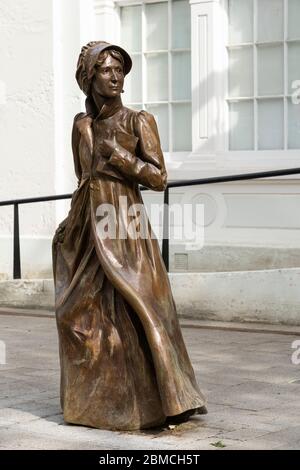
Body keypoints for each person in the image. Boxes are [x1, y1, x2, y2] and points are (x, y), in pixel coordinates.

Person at [52, 40, 207, 431]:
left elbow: (159, 178)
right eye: (106, 69)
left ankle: (165, 402)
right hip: (89, 224)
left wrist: (120, 158)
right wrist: (71, 222)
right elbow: (83, 178)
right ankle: (99, 404)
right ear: (89, 78)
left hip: (125, 224)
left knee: (142, 308)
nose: (116, 76)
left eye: (120, 69)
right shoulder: (81, 125)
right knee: (76, 314)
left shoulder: (138, 121)